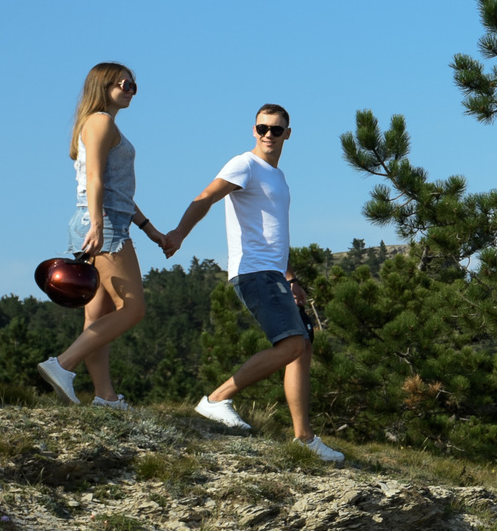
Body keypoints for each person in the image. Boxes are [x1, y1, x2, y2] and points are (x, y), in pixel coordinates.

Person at [156, 102, 346, 462]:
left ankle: (304, 439)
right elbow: (206, 197)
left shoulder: (279, 177)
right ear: (253, 130)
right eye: (262, 128)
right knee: (292, 344)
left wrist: (291, 278)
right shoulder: (244, 163)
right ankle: (216, 399)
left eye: (276, 129)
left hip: (274, 273)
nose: (268, 135)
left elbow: (276, 233)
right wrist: (180, 233)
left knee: (303, 347)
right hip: (253, 272)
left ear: (288, 134)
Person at [36, 62, 172, 409]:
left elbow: (116, 189)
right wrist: (97, 225)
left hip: (108, 219)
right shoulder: (101, 122)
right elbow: (95, 179)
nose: (130, 90)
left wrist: (150, 229)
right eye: (124, 83)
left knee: (97, 317)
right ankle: (62, 364)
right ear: (104, 84)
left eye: (133, 86)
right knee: (133, 309)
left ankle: (105, 397)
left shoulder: (102, 124)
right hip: (104, 224)